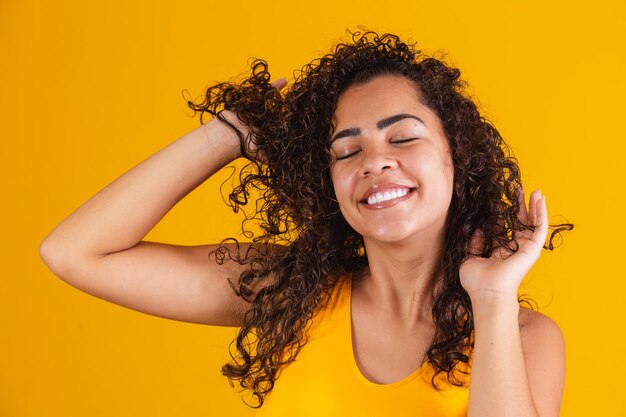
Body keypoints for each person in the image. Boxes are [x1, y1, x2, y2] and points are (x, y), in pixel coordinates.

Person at [39, 31, 570, 416]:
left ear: (459, 157)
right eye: (346, 150)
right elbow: (76, 252)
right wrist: (232, 131)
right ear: (328, 182)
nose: (373, 161)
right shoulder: (293, 292)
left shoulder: (523, 337)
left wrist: (493, 299)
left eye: (403, 137)